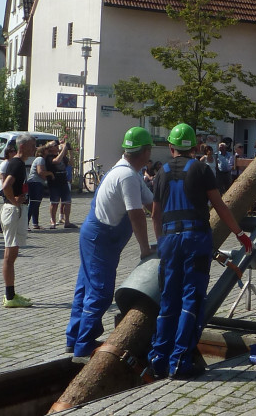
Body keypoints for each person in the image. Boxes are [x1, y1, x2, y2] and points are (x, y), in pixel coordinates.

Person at [148, 123, 252, 380]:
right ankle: (180, 361)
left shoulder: (160, 173)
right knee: (191, 298)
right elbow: (220, 206)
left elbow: (155, 215)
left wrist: (161, 243)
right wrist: (240, 234)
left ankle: (158, 359)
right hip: (195, 239)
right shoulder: (201, 169)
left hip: (170, 240)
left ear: (170, 147)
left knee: (169, 297)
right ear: (195, 147)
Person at [66, 127, 159, 361]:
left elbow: (152, 206)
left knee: (85, 287)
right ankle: (83, 346)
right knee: (100, 292)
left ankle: (74, 338)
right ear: (145, 151)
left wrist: (168, 230)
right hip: (100, 238)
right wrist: (146, 249)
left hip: (98, 236)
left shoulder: (130, 173)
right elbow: (136, 214)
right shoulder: (127, 176)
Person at [0, 133, 35, 307]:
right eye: (32, 145)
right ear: (22, 147)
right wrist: (14, 201)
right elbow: (6, 186)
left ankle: (11, 294)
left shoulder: (19, 163)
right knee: (10, 255)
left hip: (16, 210)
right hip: (13, 211)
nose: (35, 148)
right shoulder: (17, 164)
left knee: (12, 254)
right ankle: (10, 297)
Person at [48, 140, 75, 229]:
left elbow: (71, 164)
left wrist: (70, 152)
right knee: (54, 203)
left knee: (67, 202)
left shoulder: (63, 157)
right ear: (50, 148)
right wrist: (63, 149)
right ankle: (53, 221)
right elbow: (56, 161)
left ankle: (67, 221)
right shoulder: (49, 156)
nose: (57, 146)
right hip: (54, 183)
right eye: (55, 145)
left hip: (64, 182)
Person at [27, 142, 50, 230]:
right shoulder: (40, 159)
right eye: (46, 150)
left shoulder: (41, 159)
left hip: (38, 183)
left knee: (36, 203)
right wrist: (50, 174)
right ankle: (26, 223)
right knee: (33, 203)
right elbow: (40, 172)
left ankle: (35, 223)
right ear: (43, 151)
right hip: (35, 183)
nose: (48, 151)